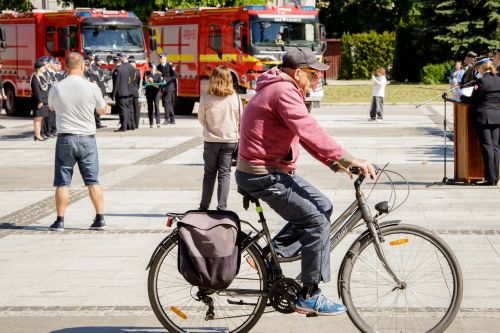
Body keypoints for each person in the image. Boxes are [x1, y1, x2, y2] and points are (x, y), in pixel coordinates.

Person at [235, 47, 376, 316]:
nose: (315, 81)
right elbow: (309, 130)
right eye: (312, 75)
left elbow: (302, 135)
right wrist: (349, 159)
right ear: (297, 73)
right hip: (262, 173)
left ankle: (269, 254)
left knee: (322, 206)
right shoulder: (284, 91)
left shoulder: (278, 87)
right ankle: (310, 295)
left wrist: (337, 164)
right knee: (316, 221)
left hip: (267, 169)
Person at [47, 52, 109, 231]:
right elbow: (102, 109)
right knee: (92, 180)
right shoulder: (91, 86)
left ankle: (59, 220)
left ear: (65, 67)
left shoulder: (57, 87)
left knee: (62, 181)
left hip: (65, 138)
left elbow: (51, 107)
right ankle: (100, 218)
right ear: (83, 66)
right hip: (87, 139)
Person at [198, 66, 241, 210]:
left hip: (211, 141)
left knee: (209, 174)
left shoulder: (206, 97)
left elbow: (201, 119)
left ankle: (204, 206)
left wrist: (211, 128)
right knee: (225, 174)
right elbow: (241, 119)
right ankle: (222, 207)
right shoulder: (235, 97)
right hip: (230, 141)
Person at [460, 57, 500, 186]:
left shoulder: (483, 82)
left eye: (477, 68)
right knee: (495, 147)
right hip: (496, 116)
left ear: (482, 68)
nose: (477, 70)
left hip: (483, 117)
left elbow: (473, 99)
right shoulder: (499, 80)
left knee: (487, 147)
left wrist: (462, 96)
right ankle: (496, 177)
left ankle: (489, 178)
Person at [112, 53, 133, 131]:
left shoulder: (118, 70)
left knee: (122, 110)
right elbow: (129, 81)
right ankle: (128, 125)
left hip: (120, 93)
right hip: (126, 92)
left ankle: (123, 127)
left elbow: (116, 83)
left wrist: (113, 94)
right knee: (126, 110)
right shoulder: (126, 69)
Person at [30, 57, 50, 141]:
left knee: (41, 118)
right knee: (37, 118)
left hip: (44, 99)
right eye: (42, 67)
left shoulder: (42, 76)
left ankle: (38, 134)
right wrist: (40, 101)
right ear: (39, 68)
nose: (44, 68)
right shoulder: (35, 78)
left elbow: (45, 87)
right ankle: (37, 135)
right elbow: (37, 90)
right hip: (38, 100)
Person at [157, 53, 177, 125]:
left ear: (165, 58)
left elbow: (175, 76)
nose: (161, 60)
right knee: (168, 103)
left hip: (170, 86)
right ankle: (172, 119)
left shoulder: (170, 65)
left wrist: (167, 79)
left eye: (162, 58)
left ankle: (166, 119)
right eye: (160, 58)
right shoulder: (158, 67)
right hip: (163, 87)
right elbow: (158, 76)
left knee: (166, 102)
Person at [144, 63, 162, 128]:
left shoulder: (159, 74)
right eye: (151, 68)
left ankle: (158, 122)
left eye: (153, 68)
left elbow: (160, 83)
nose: (152, 69)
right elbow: (144, 82)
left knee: (157, 106)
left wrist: (153, 81)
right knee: (150, 107)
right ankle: (151, 122)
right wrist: (147, 81)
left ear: (155, 68)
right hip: (149, 92)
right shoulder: (147, 73)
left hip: (156, 92)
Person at [129, 57, 142, 128]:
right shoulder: (138, 71)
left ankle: (132, 123)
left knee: (131, 109)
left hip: (129, 92)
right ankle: (136, 124)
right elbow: (139, 82)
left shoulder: (128, 71)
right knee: (136, 109)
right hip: (135, 92)